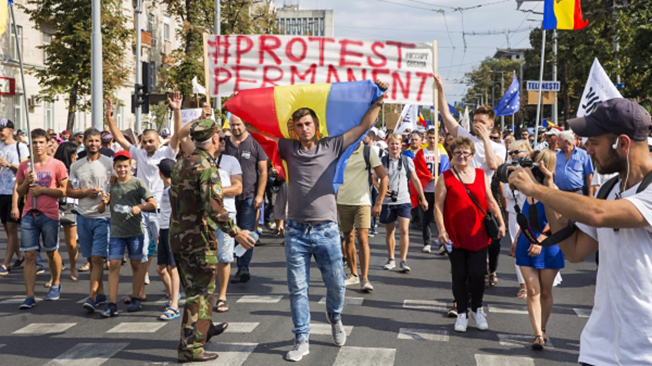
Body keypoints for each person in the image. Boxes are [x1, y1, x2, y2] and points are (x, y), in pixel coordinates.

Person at [242, 80, 388, 362]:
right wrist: (241, 104)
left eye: (308, 123)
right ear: (293, 129)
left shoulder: (332, 145)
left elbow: (363, 126)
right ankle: (302, 338)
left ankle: (334, 317)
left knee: (335, 285)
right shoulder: (287, 148)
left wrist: (380, 97)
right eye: (299, 125)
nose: (304, 128)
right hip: (296, 231)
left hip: (326, 231)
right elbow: (256, 131)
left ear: (316, 125)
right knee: (298, 289)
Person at [507, 98, 652, 365]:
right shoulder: (610, 190)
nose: (586, 148)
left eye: (594, 142)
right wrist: (548, 191)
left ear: (623, 143)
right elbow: (574, 250)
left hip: (644, 351)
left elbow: (597, 214)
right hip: (599, 349)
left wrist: (538, 190)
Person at [170, 119, 255, 362]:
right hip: (197, 239)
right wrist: (235, 231)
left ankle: (203, 329)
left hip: (178, 236)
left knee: (195, 291)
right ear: (215, 140)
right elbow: (215, 207)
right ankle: (191, 348)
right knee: (200, 294)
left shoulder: (182, 163)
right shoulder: (207, 168)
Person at [105, 95, 181, 301]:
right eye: (144, 141)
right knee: (143, 250)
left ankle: (172, 291)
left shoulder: (167, 152)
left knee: (165, 257)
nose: (147, 145)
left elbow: (178, 135)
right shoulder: (138, 154)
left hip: (163, 211)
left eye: (151, 141)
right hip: (141, 209)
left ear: (158, 141)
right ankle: (140, 292)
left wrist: (176, 110)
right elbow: (120, 138)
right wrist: (109, 116)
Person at [434, 137, 505, 332]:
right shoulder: (445, 177)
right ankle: (462, 313)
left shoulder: (481, 175)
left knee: (477, 274)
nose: (462, 156)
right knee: (459, 275)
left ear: (472, 155)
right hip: (455, 235)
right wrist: (441, 229)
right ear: (452, 155)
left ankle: (477, 309)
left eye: (466, 153)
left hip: (478, 233)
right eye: (458, 153)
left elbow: (491, 201)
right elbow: (438, 206)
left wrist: (501, 221)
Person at [510, 149, 565, 350]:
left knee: (545, 292)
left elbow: (556, 220)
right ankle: (537, 335)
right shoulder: (529, 190)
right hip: (526, 242)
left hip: (549, 245)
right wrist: (517, 239)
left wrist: (540, 241)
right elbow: (525, 216)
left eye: (536, 164)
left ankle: (543, 328)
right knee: (533, 290)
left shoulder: (553, 189)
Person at [97, 150, 156, 317]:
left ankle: (136, 297)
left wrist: (140, 207)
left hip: (135, 231)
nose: (122, 170)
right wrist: (103, 202)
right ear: (114, 167)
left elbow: (152, 203)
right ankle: (112, 303)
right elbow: (101, 209)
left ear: (131, 166)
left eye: (125, 166)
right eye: (119, 167)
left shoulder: (137, 183)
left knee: (137, 265)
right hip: (116, 231)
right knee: (113, 264)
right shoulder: (111, 184)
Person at [16, 129, 68, 309]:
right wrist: (26, 182)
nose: (37, 146)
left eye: (41, 142)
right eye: (34, 143)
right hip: (29, 213)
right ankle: (29, 295)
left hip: (49, 214)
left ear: (48, 144)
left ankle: (55, 283)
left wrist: (43, 190)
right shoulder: (25, 166)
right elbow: (20, 191)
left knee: (51, 251)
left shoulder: (57, 165)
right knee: (29, 254)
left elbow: (63, 191)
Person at [66, 128, 113, 312]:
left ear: (100, 143)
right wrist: (85, 193)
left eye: (96, 140)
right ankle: (100, 292)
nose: (93, 144)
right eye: (90, 141)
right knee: (92, 259)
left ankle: (92, 296)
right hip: (84, 217)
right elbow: (69, 191)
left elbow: (116, 186)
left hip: (103, 216)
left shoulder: (108, 163)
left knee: (97, 257)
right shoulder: (76, 165)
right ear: (83, 143)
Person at [337, 139, 388, 292]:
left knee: (363, 237)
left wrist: (379, 201)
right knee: (349, 238)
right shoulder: (339, 150)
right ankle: (354, 274)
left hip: (363, 201)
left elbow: (383, 177)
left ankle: (365, 278)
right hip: (343, 201)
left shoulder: (368, 151)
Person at [224, 114, 268, 284]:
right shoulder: (225, 144)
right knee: (228, 231)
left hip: (249, 196)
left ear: (245, 125)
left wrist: (259, 195)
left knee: (247, 231)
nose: (235, 128)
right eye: (232, 125)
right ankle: (225, 265)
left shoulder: (255, 142)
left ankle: (243, 267)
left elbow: (263, 171)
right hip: (228, 197)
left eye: (238, 124)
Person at [379, 134, 428, 273]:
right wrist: (381, 189)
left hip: (404, 200)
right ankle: (391, 258)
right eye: (392, 144)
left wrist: (422, 198)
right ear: (388, 145)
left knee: (405, 230)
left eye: (397, 144)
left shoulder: (407, 160)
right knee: (390, 231)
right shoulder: (382, 161)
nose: (394, 146)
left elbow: (416, 179)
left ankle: (403, 260)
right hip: (388, 201)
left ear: (401, 146)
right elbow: (374, 178)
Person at [502, 140, 532, 299]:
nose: (514, 156)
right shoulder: (507, 170)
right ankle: (523, 284)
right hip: (515, 214)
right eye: (511, 153)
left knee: (533, 245)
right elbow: (507, 194)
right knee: (518, 247)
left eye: (517, 152)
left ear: (527, 152)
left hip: (532, 212)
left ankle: (535, 280)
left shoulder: (534, 169)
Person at [0, 119, 29, 276]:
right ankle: (19, 255)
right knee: (7, 228)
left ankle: (5, 264)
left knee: (12, 228)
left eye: (2, 129)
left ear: (10, 130)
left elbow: (25, 169)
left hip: (15, 191)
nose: (0, 132)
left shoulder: (20, 147)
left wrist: (9, 164)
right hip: (1, 191)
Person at [154, 158, 181, 320]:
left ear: (160, 173)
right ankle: (174, 296)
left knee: (173, 268)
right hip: (164, 231)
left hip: (173, 231)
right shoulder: (166, 190)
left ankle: (174, 305)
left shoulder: (174, 190)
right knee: (160, 268)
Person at [54, 142, 80, 281]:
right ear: (68, 155)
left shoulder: (78, 169)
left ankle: (73, 266)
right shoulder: (56, 167)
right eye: (74, 154)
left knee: (71, 243)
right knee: (54, 244)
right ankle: (54, 275)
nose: (76, 156)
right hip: (55, 205)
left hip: (72, 207)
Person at [421, 128, 450, 254]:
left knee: (441, 217)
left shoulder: (442, 154)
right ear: (426, 138)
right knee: (426, 217)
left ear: (439, 138)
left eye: (434, 137)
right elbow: (417, 171)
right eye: (430, 137)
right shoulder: (421, 153)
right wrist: (426, 177)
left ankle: (442, 242)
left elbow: (445, 171)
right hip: (426, 190)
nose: (432, 140)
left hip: (439, 190)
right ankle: (427, 242)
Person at [555, 130, 594, 195]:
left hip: (577, 193)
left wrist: (590, 194)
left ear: (566, 141)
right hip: (559, 193)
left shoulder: (583, 154)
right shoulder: (556, 156)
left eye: (559, 140)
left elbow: (589, 176)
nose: (557, 142)